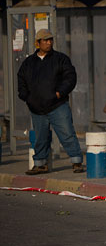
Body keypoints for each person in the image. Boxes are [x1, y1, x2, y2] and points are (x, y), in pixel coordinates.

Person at [18, 28, 85, 175]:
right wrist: (27, 98)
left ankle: (76, 162)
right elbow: (21, 81)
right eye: (45, 40)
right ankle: (40, 164)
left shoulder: (61, 59)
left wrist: (59, 93)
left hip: (57, 105)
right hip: (37, 108)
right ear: (38, 43)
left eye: (50, 40)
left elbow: (70, 77)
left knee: (67, 134)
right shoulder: (28, 63)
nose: (49, 43)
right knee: (40, 137)